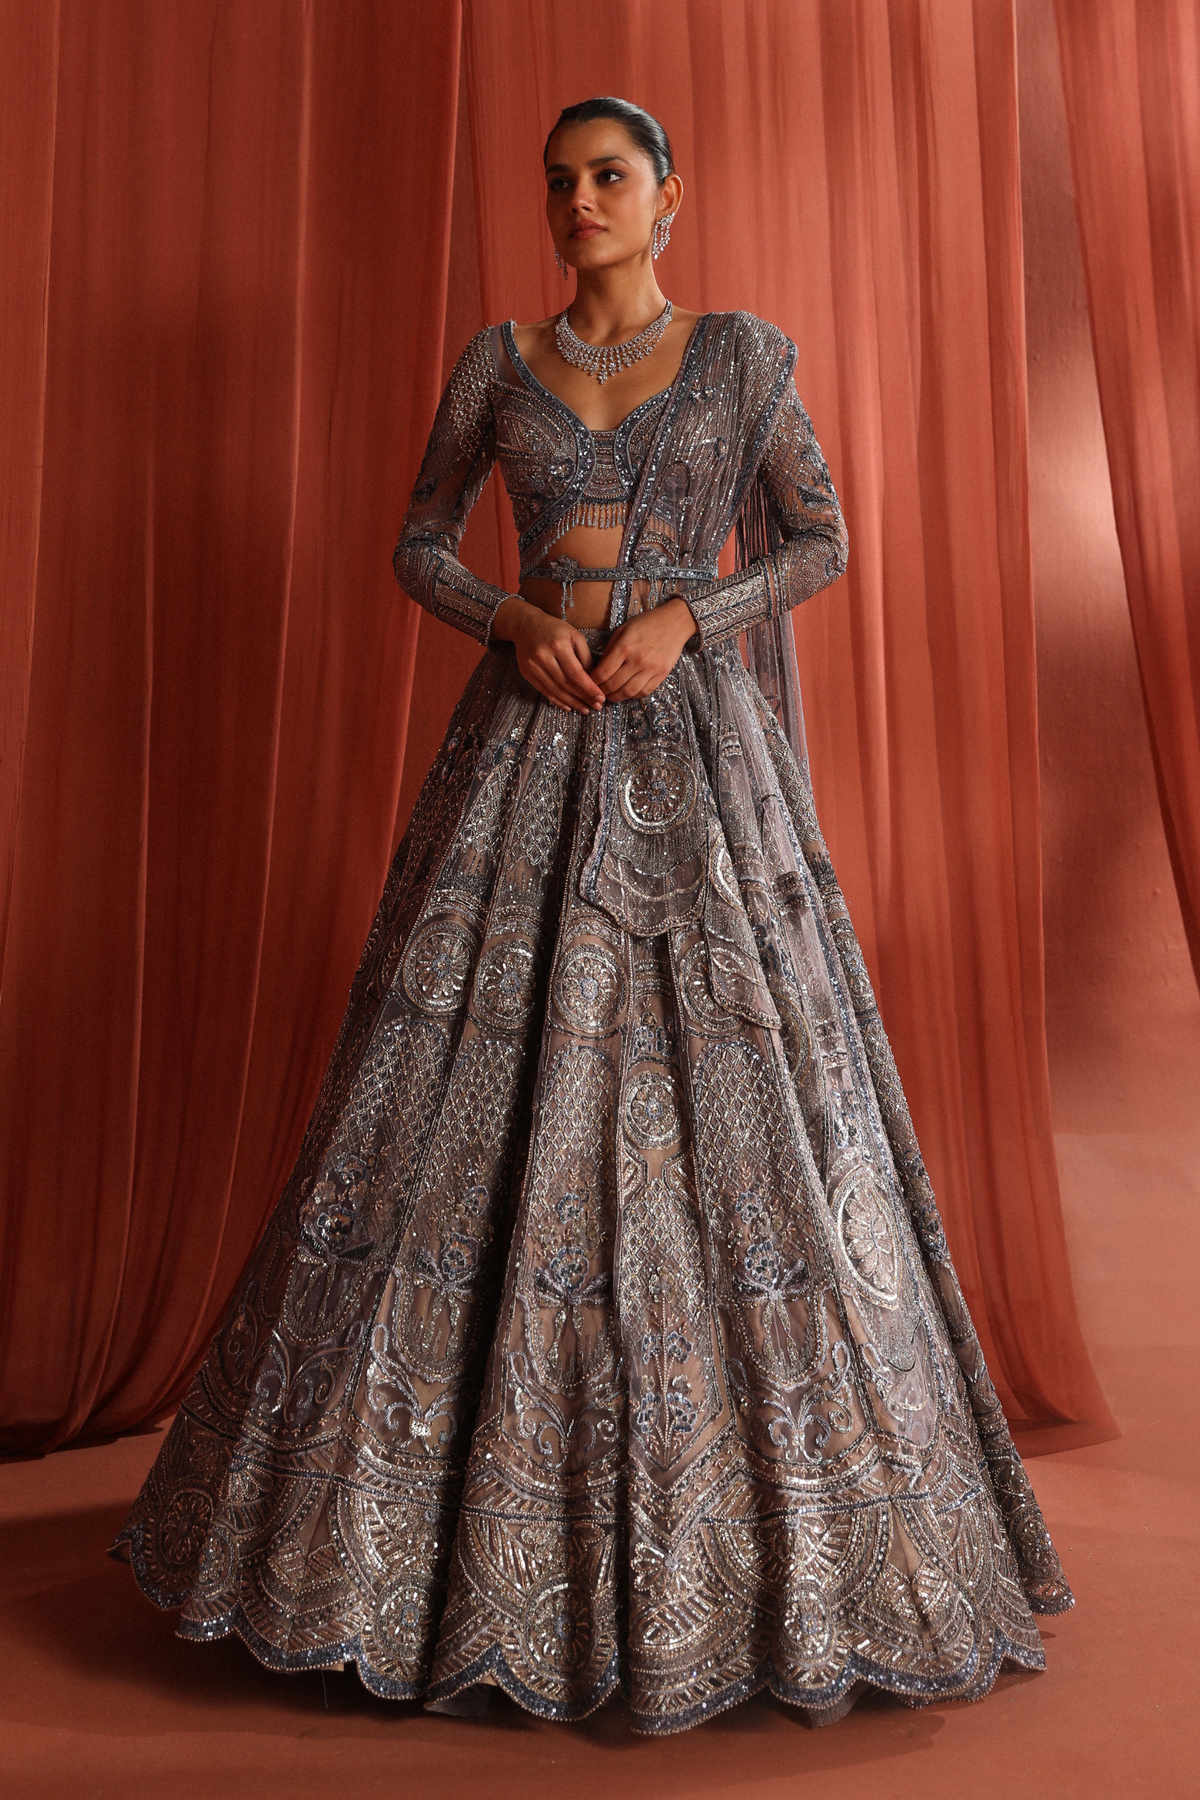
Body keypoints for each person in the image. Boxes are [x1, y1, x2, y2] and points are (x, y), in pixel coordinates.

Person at [114, 96, 1072, 1735]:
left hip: (702, 765)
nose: (580, 201)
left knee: (746, 1106)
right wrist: (509, 621)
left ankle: (786, 1544)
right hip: (527, 748)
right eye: (559, 183)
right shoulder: (498, 365)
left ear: (668, 196)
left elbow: (822, 540)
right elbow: (419, 541)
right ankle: (412, 1547)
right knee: (455, 1107)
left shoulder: (743, 357)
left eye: (609, 177)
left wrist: (693, 617)